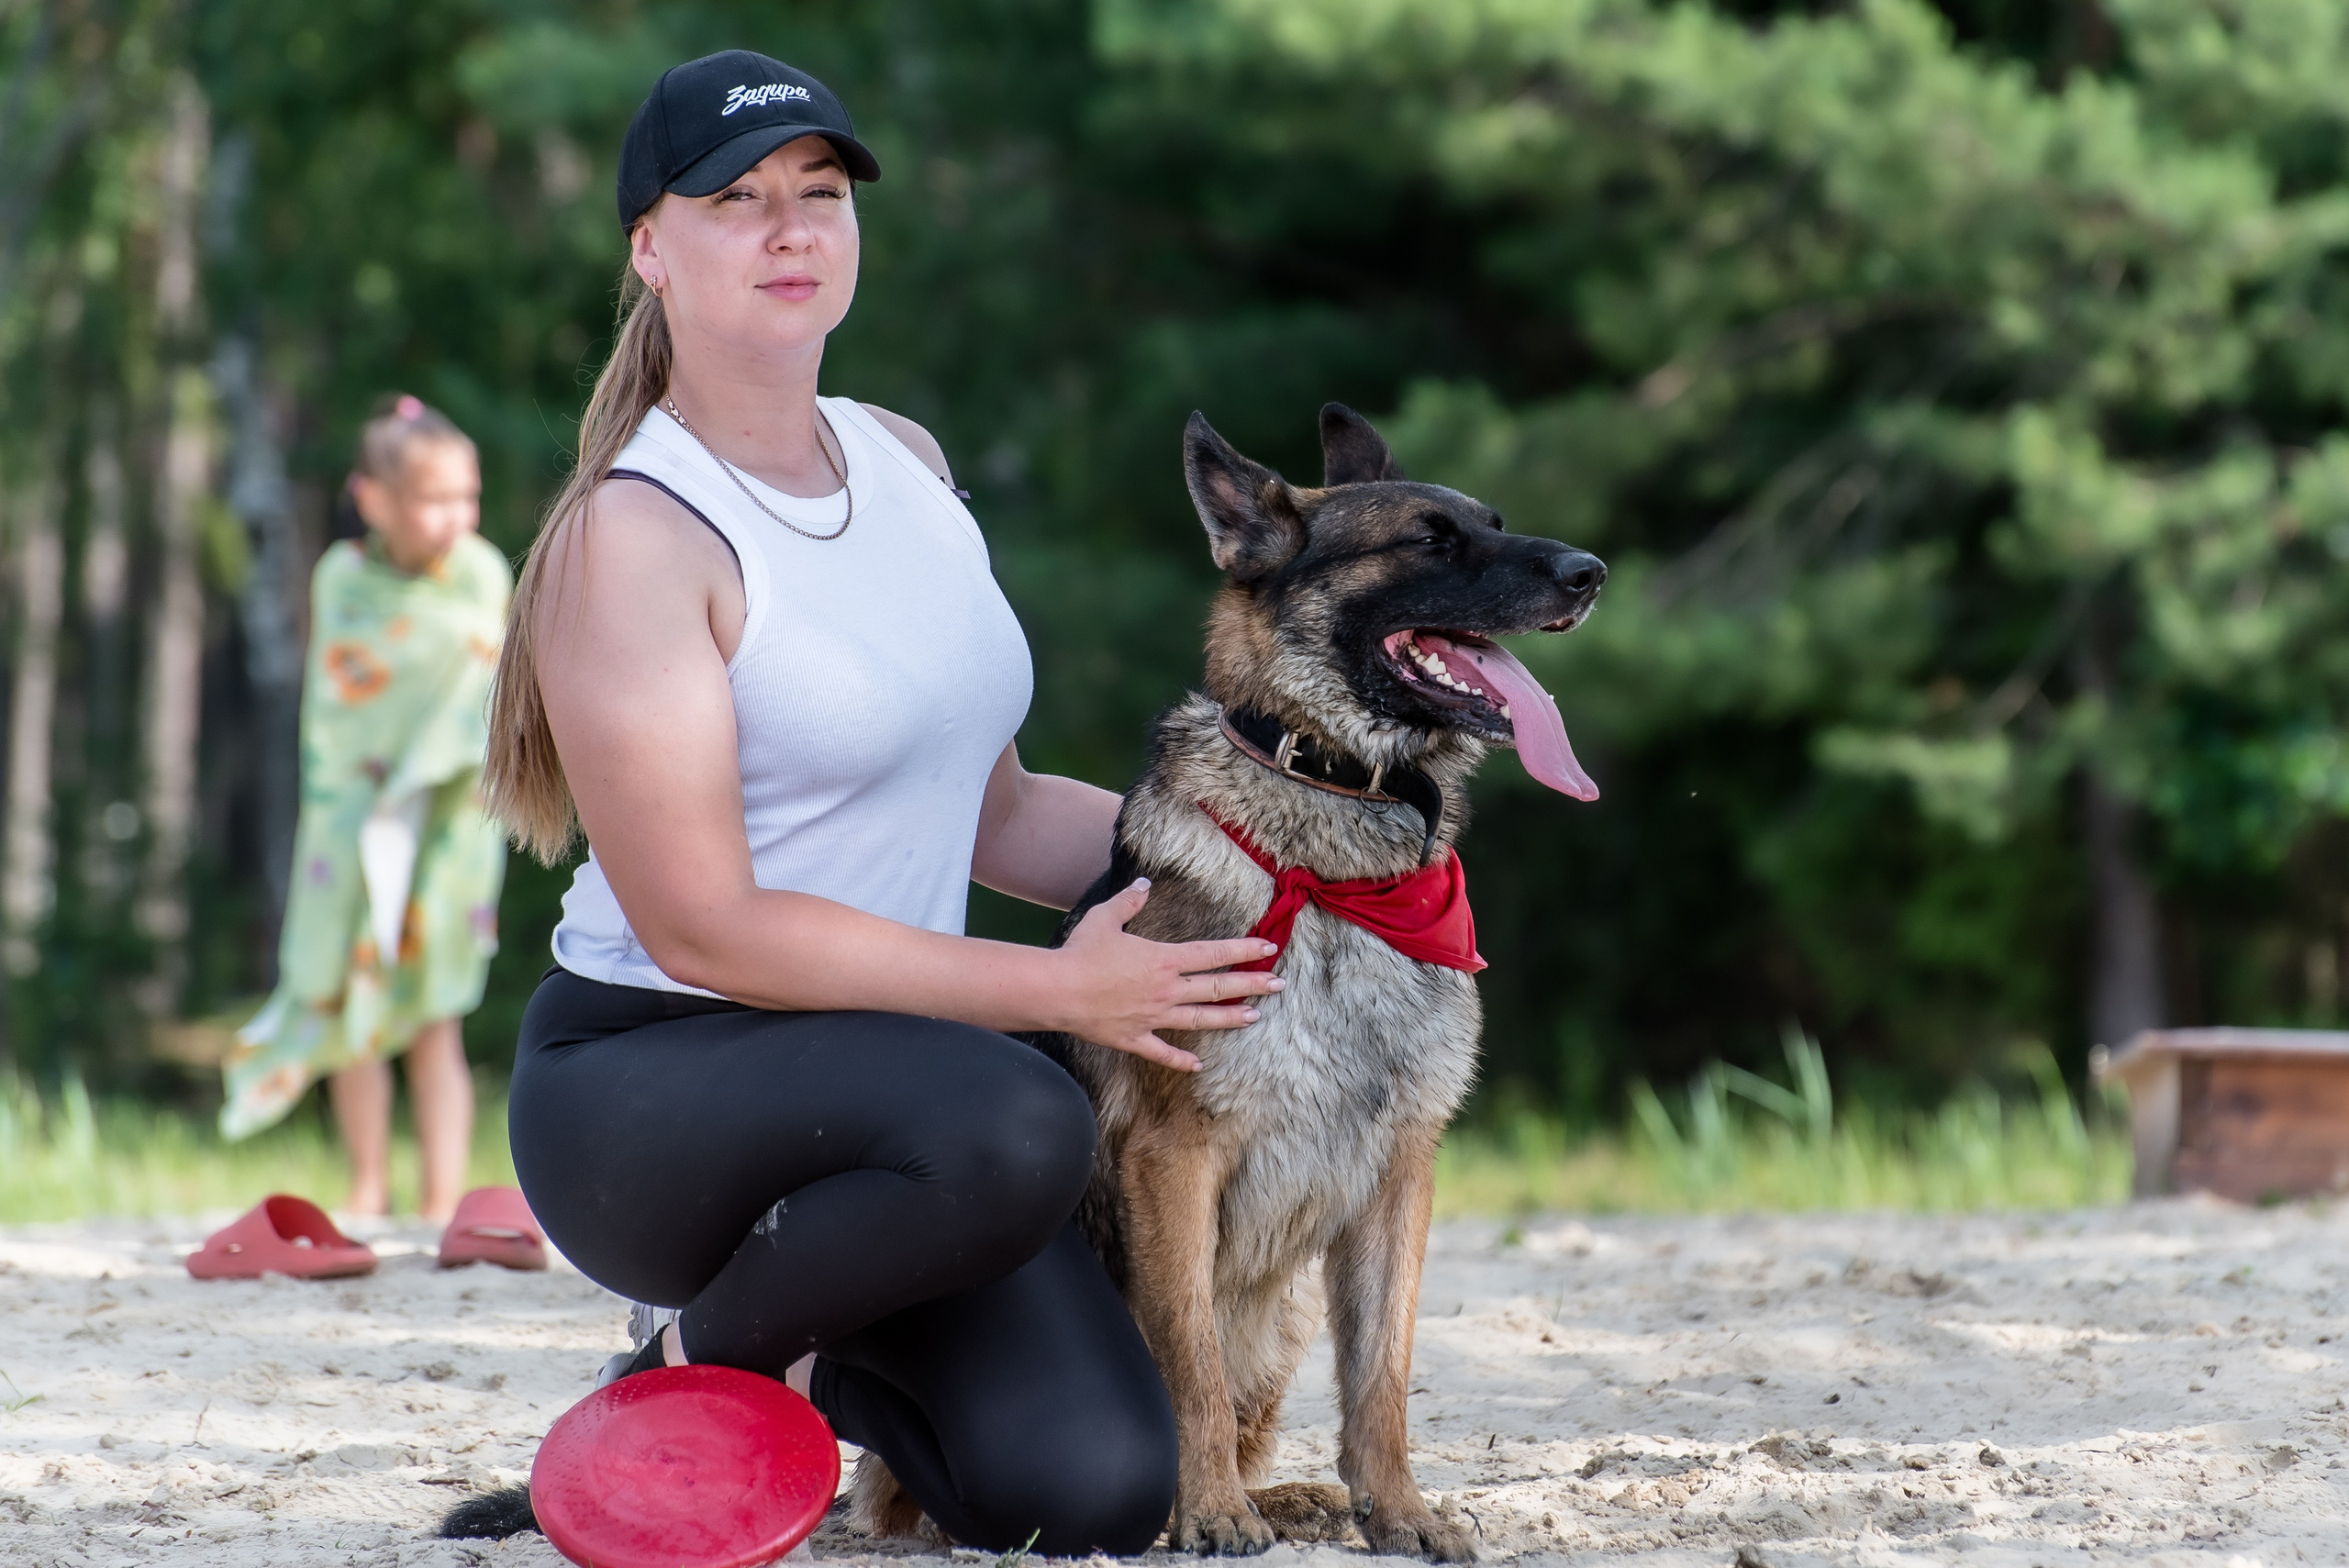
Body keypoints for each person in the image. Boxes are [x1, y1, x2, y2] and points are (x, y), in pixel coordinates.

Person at [488, 51, 1283, 1556]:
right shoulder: (635, 536)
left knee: (1098, 1490)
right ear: (652, 249)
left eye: (822, 194)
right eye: (738, 202)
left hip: (901, 1106)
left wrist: (1281, 864)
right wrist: (1055, 986)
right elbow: (704, 922)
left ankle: (831, 1325)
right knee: (1023, 1108)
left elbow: (993, 815)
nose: (792, 229)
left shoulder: (905, 461)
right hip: (656, 1085)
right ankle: (689, 1354)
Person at [222, 395, 511, 1227]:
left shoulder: (484, 572)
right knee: (356, 1009)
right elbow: (343, 703)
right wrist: (376, 784)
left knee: (432, 1017)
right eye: (434, 498)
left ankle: (442, 1195)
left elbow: (483, 690)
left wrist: (424, 770)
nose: (455, 516)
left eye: (468, 495)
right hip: (354, 827)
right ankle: (366, 1185)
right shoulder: (342, 577)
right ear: (374, 499)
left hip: (445, 830)